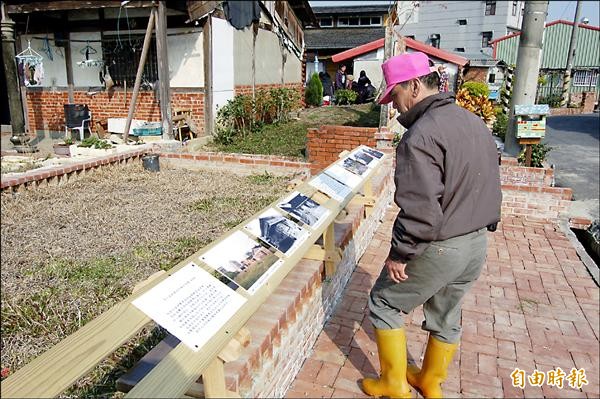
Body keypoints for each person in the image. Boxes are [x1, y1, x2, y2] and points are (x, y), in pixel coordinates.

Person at [361, 52, 501, 398]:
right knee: (447, 311)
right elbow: (491, 182)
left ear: (413, 85)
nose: (394, 106)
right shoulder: (472, 122)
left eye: (394, 96)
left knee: (384, 303)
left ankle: (394, 385)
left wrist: (401, 254)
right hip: (475, 243)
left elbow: (420, 209)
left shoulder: (420, 136)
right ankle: (430, 381)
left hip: (440, 243)